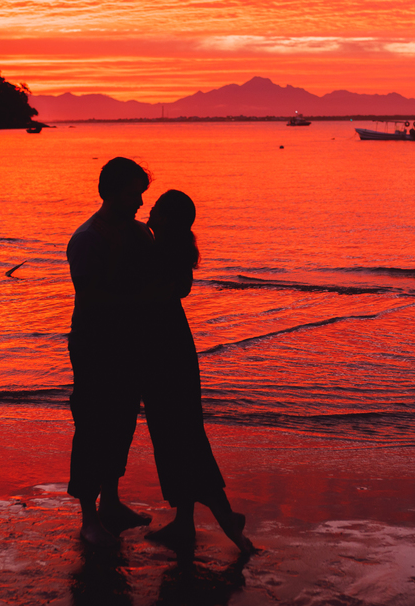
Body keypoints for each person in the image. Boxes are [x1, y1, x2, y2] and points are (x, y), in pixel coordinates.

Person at [141, 190, 253, 555]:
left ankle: (226, 518)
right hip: (172, 349)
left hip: (166, 353)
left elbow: (153, 296)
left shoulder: (161, 252)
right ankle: (185, 523)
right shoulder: (168, 248)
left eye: (156, 207)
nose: (148, 209)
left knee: (180, 438)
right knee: (179, 435)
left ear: (169, 218)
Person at [66, 157, 155, 547]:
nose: (139, 202)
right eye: (134, 193)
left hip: (131, 344)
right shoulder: (86, 239)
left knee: (121, 423)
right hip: (94, 345)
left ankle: (112, 503)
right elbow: (89, 300)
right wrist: (137, 301)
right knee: (91, 426)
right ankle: (89, 518)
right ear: (112, 192)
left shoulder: (140, 235)